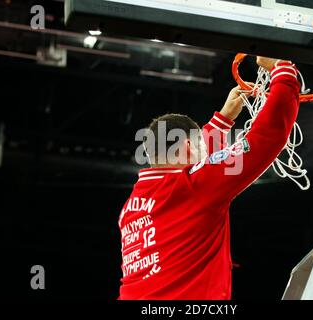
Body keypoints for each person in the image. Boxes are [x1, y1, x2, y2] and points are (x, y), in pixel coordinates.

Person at [118, 56, 301, 299]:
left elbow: (200, 163)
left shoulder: (132, 205)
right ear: (186, 148)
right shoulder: (193, 185)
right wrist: (284, 72)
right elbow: (265, 138)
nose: (207, 155)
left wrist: (222, 120)